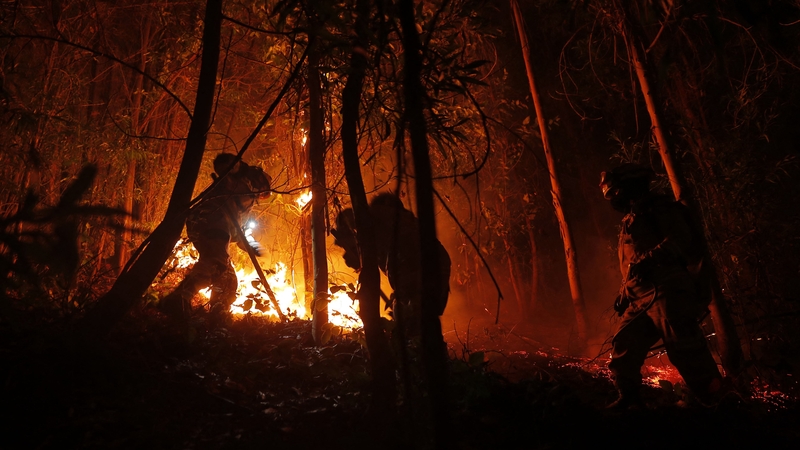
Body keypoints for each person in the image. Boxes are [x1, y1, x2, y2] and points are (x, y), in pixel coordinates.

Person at [600, 163, 723, 409]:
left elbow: (680, 240)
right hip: (641, 298)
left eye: (615, 191)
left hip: (668, 293)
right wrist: (625, 292)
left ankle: (719, 404)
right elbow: (634, 263)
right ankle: (630, 400)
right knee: (625, 342)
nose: (614, 198)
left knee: (687, 350)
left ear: (631, 185)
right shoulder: (634, 217)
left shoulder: (661, 208)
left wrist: (647, 262)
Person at [160, 153, 271, 319]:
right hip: (209, 220)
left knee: (228, 277)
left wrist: (253, 247)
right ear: (258, 182)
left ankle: (218, 311)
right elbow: (222, 162)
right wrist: (236, 166)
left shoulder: (242, 206)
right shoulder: (237, 179)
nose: (258, 197)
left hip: (217, 227)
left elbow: (239, 235)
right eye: (261, 192)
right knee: (215, 262)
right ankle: (178, 299)